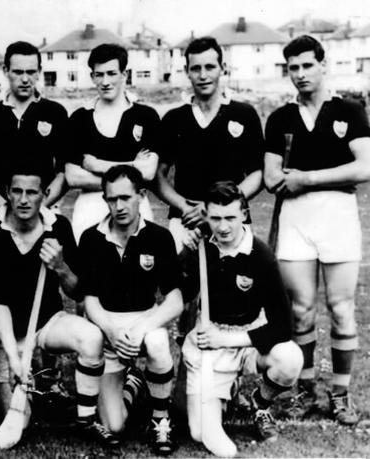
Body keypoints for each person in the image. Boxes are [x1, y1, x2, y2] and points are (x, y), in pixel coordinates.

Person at [264, 35, 370, 425]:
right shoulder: (280, 118)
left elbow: (365, 167)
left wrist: (307, 177)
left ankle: (340, 393)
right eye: (293, 67)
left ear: (323, 65)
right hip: (296, 219)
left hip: (338, 216)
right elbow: (271, 175)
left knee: (341, 310)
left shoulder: (350, 110)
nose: (301, 74)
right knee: (301, 311)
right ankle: (304, 390)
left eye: (308, 65)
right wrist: (297, 181)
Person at [0, 163, 113, 445]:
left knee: (91, 337)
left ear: (45, 194)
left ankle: (86, 420)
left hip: (48, 322)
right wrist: (14, 357)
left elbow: (76, 292)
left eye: (32, 193)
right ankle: (18, 392)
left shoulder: (58, 226)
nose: (24, 200)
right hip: (6, 332)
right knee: (17, 423)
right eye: (17, 192)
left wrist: (60, 267)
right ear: (7, 194)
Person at [182, 182, 303, 457]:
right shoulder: (201, 246)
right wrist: (185, 256)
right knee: (199, 433)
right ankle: (227, 387)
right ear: (207, 217)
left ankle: (260, 402)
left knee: (290, 358)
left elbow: (283, 326)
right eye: (215, 218)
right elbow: (183, 291)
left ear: (245, 215)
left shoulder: (260, 255)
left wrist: (228, 339)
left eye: (230, 218)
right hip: (210, 340)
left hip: (248, 339)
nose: (223, 227)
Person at [79, 165, 183, 455]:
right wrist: (112, 331)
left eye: (126, 197)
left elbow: (175, 299)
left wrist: (141, 329)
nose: (119, 206)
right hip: (108, 330)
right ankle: (133, 382)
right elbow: (90, 301)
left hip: (144, 321)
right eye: (112, 199)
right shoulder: (91, 238)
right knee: (114, 427)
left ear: (142, 195)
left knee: (158, 341)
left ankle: (160, 420)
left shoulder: (159, 237)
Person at [156, 37, 264, 253]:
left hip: (232, 220)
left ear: (222, 68)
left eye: (210, 67)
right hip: (186, 221)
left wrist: (218, 206)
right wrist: (184, 206)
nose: (203, 75)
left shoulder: (244, 114)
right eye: (196, 68)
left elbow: (258, 173)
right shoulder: (174, 118)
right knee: (183, 284)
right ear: (187, 71)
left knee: (237, 284)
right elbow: (159, 176)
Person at [65, 44, 161, 240]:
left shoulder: (146, 116)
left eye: (111, 73)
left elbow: (149, 173)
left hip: (135, 204)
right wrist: (132, 167)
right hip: (90, 205)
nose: (106, 81)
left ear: (124, 75)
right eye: (99, 75)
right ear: (92, 77)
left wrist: (97, 165)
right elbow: (73, 177)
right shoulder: (79, 118)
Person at [0, 41, 68, 213]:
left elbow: (64, 170)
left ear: (39, 72)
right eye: (18, 72)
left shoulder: (55, 112)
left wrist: (38, 208)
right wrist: (7, 211)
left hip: (42, 212)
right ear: (5, 71)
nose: (25, 79)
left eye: (31, 72)